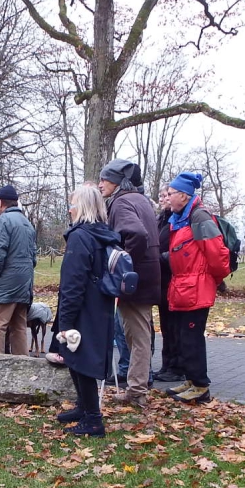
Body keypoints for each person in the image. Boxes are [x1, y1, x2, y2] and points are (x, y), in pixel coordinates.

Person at [55, 184, 120, 437]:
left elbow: (73, 282)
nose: (69, 210)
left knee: (81, 359)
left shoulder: (80, 237)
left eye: (72, 204)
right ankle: (84, 407)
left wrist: (66, 322)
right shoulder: (101, 234)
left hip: (83, 307)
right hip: (98, 305)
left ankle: (93, 419)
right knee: (76, 358)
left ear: (80, 207)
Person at [98, 158, 161, 408]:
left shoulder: (122, 202)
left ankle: (137, 391)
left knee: (137, 337)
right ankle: (136, 388)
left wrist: (122, 265)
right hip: (144, 279)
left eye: (104, 179)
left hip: (135, 282)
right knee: (137, 335)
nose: (100, 184)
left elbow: (137, 234)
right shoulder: (139, 199)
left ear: (116, 182)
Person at [163, 172, 230, 403]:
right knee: (183, 337)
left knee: (192, 339)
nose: (167, 198)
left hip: (196, 289)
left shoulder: (199, 217)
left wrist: (215, 280)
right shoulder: (182, 217)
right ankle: (191, 380)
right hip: (184, 287)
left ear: (184, 195)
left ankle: (200, 386)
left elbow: (217, 254)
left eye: (170, 194)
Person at [0, 184, 36, 356]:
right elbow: (33, 257)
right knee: (19, 327)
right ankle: (23, 366)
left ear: (0, 202)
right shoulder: (27, 223)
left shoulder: (3, 221)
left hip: (6, 283)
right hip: (24, 283)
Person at [152, 186, 183, 383]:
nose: (164, 199)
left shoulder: (177, 221)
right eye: (162, 196)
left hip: (173, 278)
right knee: (166, 325)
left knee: (174, 326)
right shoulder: (161, 220)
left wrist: (160, 257)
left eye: (167, 195)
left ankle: (176, 367)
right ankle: (167, 364)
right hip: (162, 280)